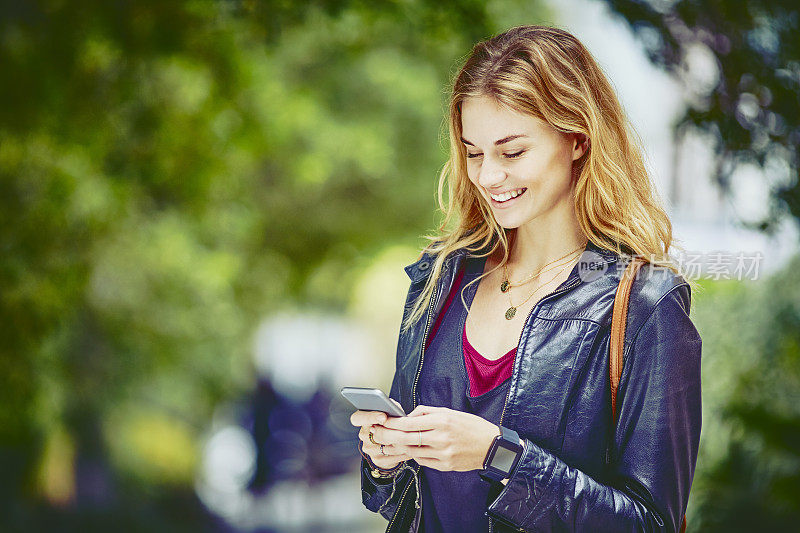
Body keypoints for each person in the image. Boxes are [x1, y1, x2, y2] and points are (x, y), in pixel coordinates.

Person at [349, 24, 701, 533]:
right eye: (474, 153)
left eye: (512, 152)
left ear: (577, 139)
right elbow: (397, 499)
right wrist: (386, 456)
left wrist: (499, 455)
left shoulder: (647, 305)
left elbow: (651, 524)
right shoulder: (438, 279)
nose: (489, 176)